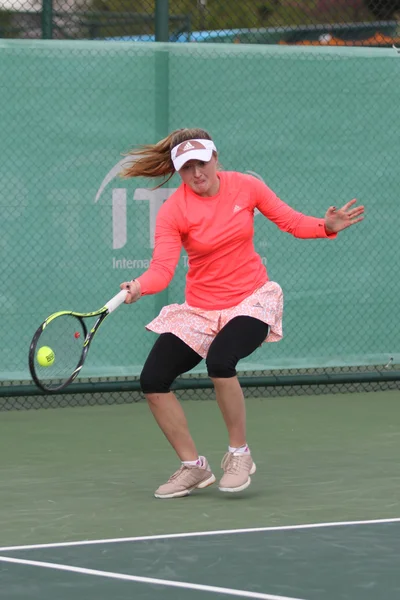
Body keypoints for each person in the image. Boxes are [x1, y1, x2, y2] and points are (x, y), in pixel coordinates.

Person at [119, 127, 364, 499]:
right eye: (187, 168)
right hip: (201, 308)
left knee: (221, 360)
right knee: (153, 378)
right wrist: (139, 285)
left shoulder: (246, 187)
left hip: (250, 299)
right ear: (179, 171)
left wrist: (324, 226)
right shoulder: (175, 210)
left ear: (216, 158)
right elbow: (162, 269)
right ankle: (192, 467)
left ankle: (239, 455)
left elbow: (291, 221)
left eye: (202, 163)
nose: (197, 174)